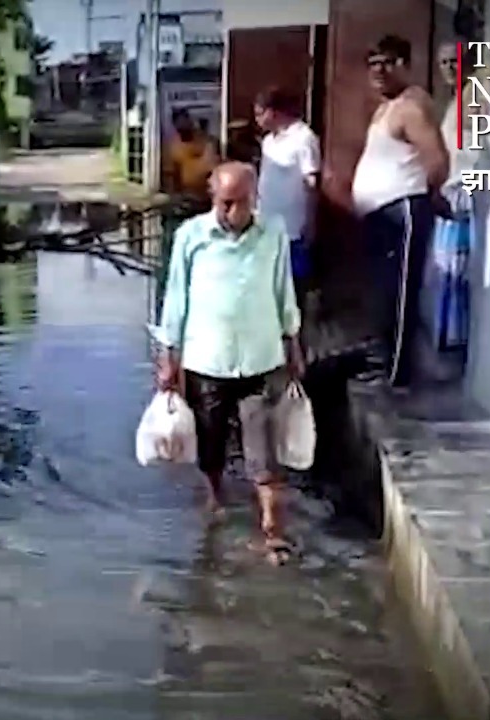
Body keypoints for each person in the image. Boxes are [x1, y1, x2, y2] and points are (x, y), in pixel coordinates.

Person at [155, 162, 306, 565]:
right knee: (211, 443)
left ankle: (273, 532)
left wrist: (294, 344)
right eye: (223, 203)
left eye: (238, 203)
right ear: (213, 198)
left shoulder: (272, 234)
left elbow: (283, 292)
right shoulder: (191, 237)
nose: (229, 212)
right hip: (208, 360)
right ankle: (215, 496)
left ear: (254, 200)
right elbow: (175, 300)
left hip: (261, 359)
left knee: (264, 451)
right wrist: (168, 358)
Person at [351, 34, 450, 388]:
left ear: (405, 65)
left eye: (388, 63)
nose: (379, 71)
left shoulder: (411, 106)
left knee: (400, 291)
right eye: (373, 64)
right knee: (380, 290)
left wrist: (430, 194)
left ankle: (397, 374)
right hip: (378, 213)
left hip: (403, 208)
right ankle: (382, 362)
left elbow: (437, 159)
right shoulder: (384, 109)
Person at [422, 39, 489, 371]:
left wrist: (460, 187)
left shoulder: (475, 97)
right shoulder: (454, 101)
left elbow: (475, 151)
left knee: (456, 269)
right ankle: (449, 339)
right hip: (449, 191)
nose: (449, 68)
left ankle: (457, 344)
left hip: (460, 193)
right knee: (446, 268)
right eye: (444, 62)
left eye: (455, 61)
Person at [253, 86, 321, 290]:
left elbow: (312, 183)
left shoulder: (303, 138)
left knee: (293, 287)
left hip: (292, 228)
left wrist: (310, 222)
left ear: (274, 111)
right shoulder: (267, 142)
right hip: (266, 225)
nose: (257, 120)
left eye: (259, 114)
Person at [163, 109, 219, 201]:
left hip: (208, 194)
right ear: (175, 126)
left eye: (184, 122)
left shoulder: (205, 139)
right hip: (187, 196)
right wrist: (174, 196)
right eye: (179, 125)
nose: (182, 125)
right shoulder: (173, 146)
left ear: (189, 121)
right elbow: (170, 175)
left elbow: (213, 164)